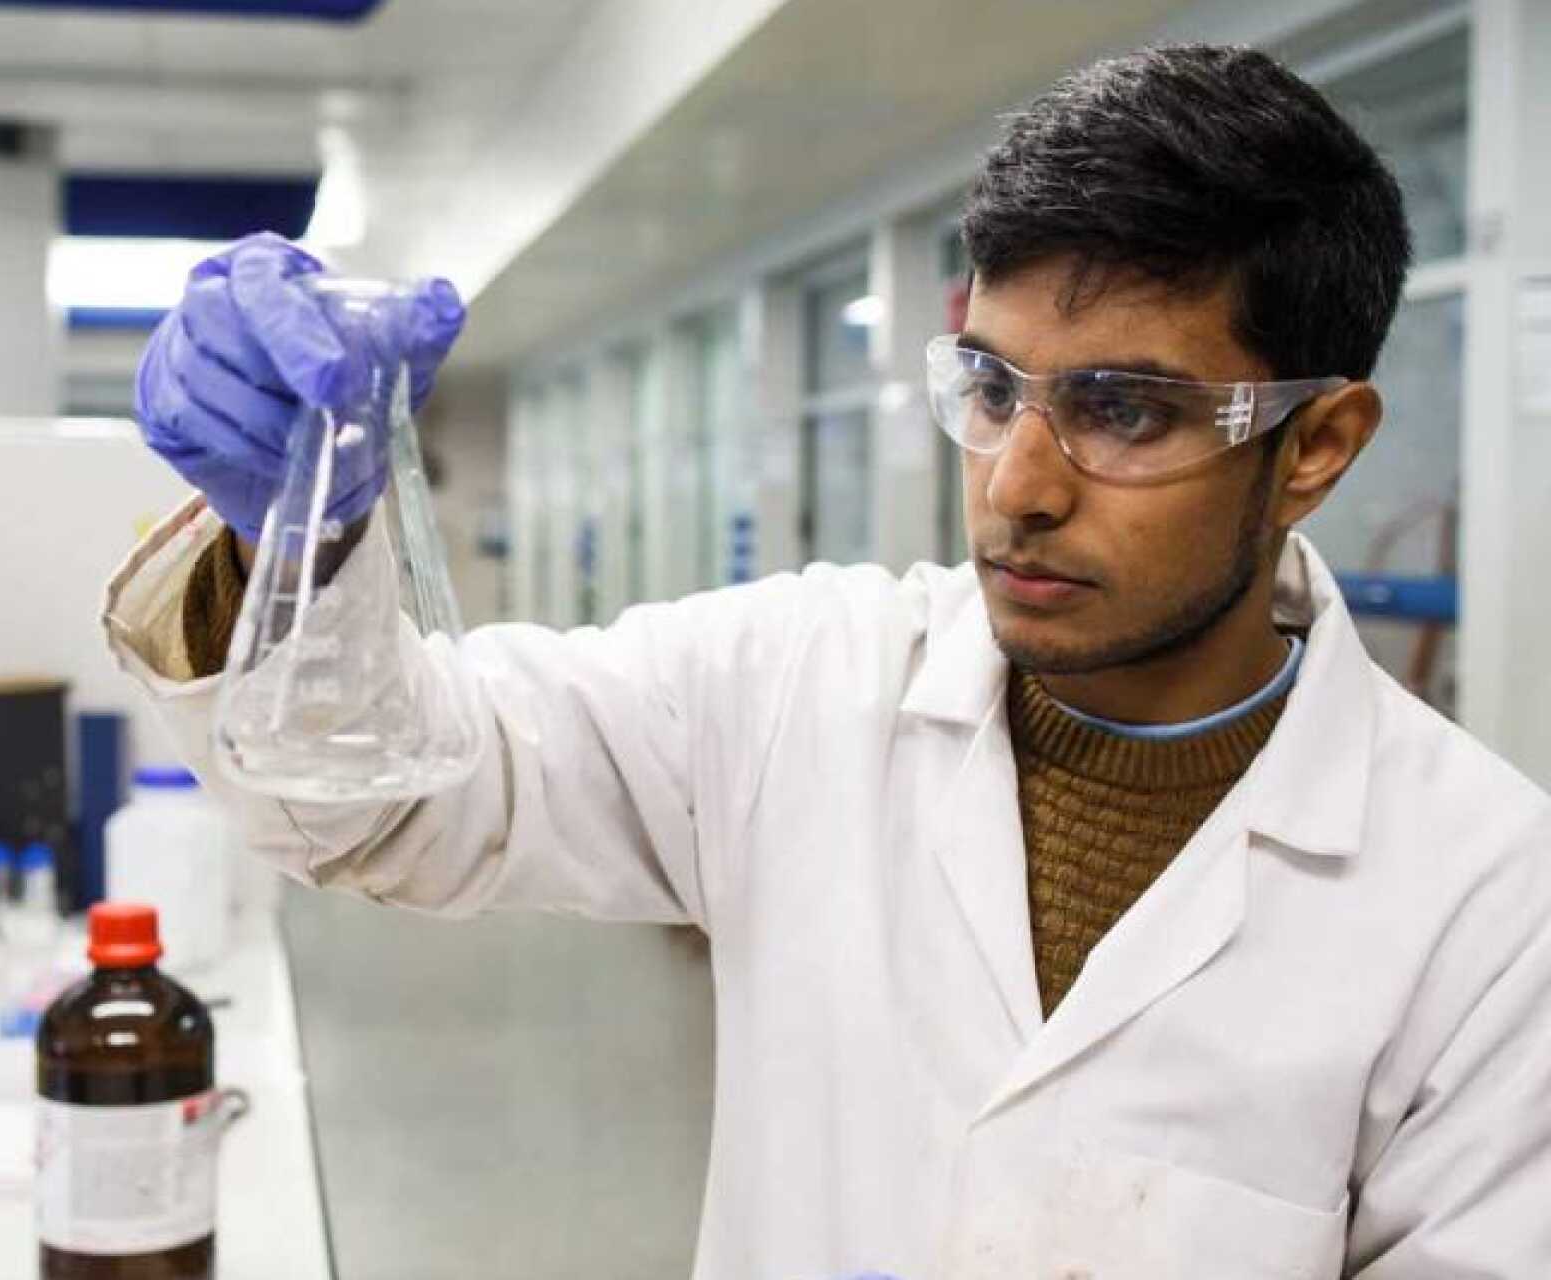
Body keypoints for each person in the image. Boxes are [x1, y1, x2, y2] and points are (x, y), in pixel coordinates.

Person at [105, 44, 1551, 1280]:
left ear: (1314, 448)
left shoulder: (1489, 903)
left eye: (1124, 411)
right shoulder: (796, 679)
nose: (1017, 485)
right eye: (990, 390)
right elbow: (376, 800)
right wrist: (292, 529)